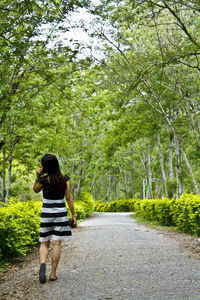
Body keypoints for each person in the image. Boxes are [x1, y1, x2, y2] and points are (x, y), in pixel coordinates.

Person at [33, 154, 77, 283]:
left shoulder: (43, 180)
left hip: (46, 214)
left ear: (44, 166)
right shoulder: (64, 178)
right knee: (57, 243)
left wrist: (37, 177)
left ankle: (42, 265)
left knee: (44, 242)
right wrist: (73, 215)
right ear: (56, 164)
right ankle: (53, 274)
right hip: (60, 214)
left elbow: (35, 190)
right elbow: (69, 198)